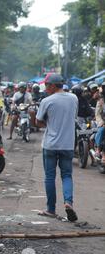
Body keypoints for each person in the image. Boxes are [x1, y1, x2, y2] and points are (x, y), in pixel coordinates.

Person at [36, 74, 79, 222]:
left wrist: (49, 123)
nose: (46, 88)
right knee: (66, 175)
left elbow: (39, 122)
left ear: (53, 86)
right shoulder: (74, 98)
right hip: (67, 144)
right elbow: (73, 116)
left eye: (47, 85)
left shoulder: (47, 101)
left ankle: (51, 210)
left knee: (50, 177)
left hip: (50, 145)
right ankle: (68, 202)